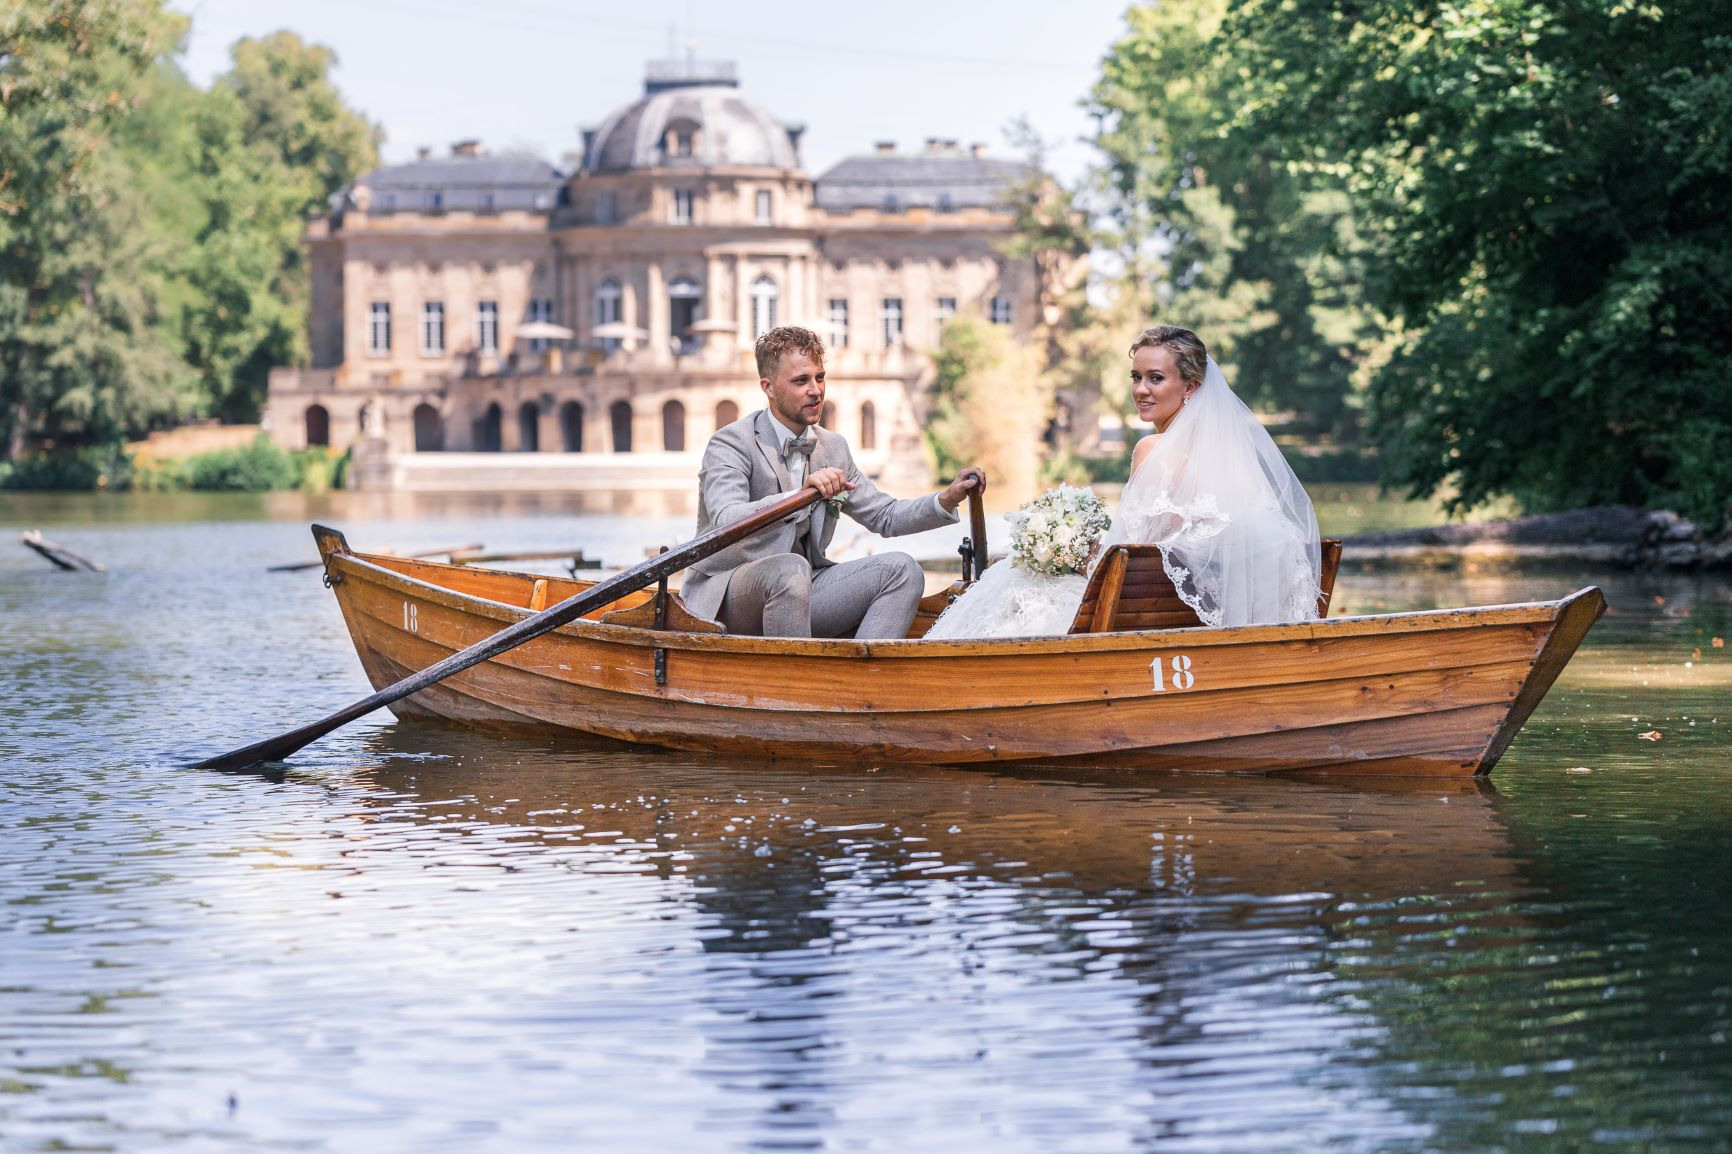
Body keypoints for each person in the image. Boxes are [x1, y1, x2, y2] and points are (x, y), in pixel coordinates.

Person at [925, 325, 1321, 639]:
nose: (1141, 390)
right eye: (1136, 377)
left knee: (1013, 578)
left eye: (1155, 378)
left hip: (1135, 608)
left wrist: (1067, 556)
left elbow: (1130, 552)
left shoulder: (1152, 449)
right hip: (1167, 606)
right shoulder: (1231, 460)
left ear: (1190, 388)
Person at [683, 325, 986, 639]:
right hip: (726, 597)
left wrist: (948, 498)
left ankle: (861, 682)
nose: (815, 390)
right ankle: (795, 683)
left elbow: (886, 516)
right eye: (801, 381)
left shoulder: (833, 448)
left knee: (903, 569)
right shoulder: (730, 443)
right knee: (790, 569)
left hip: (803, 588)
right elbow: (725, 520)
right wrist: (797, 497)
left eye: (819, 377)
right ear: (769, 388)